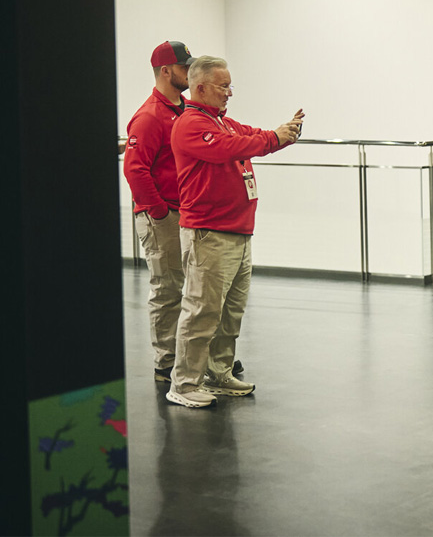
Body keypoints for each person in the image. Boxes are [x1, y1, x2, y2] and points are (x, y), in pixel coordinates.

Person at [166, 55, 304, 408]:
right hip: (209, 233)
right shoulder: (191, 124)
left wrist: (282, 134)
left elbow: (252, 136)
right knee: (201, 311)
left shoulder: (222, 122)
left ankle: (219, 372)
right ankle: (184, 384)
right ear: (200, 88)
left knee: (230, 312)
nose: (229, 92)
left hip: (237, 231)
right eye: (223, 86)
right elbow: (232, 147)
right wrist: (273, 138)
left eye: (230, 86)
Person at [123, 40, 193, 383]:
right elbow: (135, 169)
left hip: (188, 212)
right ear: (166, 71)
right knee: (167, 288)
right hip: (162, 215)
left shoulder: (186, 110)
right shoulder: (150, 116)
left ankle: (191, 357)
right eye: (184, 67)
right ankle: (167, 361)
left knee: (192, 288)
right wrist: (159, 212)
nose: (190, 72)